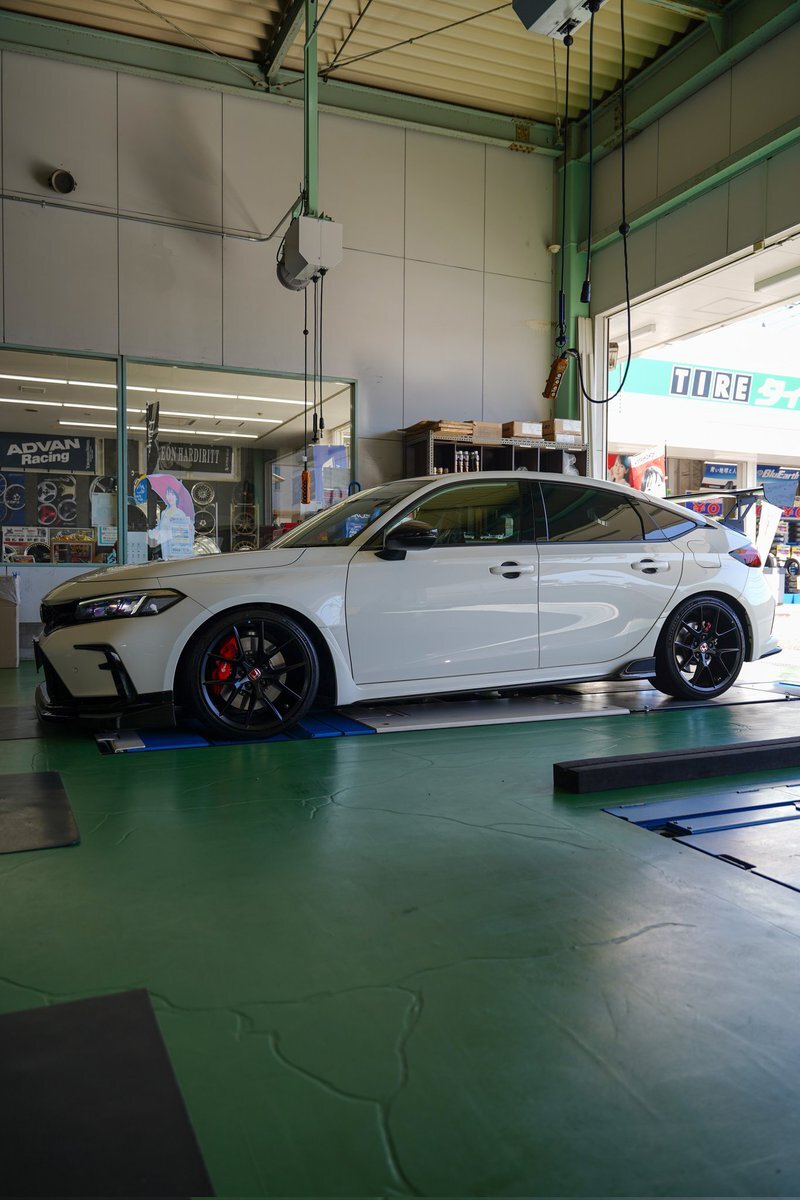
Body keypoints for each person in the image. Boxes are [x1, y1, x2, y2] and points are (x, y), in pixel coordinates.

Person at [148, 485, 195, 559]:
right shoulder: (164, 513)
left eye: (172, 494)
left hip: (177, 551)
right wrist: (152, 533)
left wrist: (190, 529)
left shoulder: (181, 514)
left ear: (176, 497)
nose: (170, 497)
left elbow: (186, 533)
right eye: (168, 494)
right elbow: (160, 528)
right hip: (165, 549)